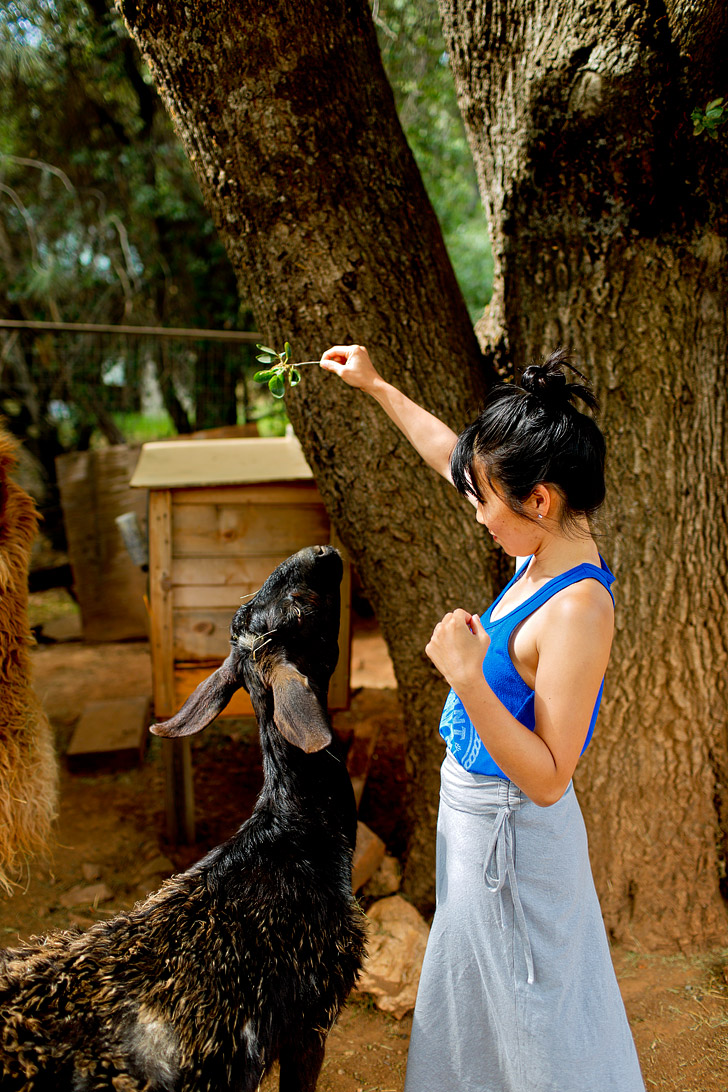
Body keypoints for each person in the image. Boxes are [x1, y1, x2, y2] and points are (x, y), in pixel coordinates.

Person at [320, 344, 645, 1092]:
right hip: (474, 834)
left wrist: (468, 679)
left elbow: (549, 777)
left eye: (487, 502)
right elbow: (451, 456)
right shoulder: (539, 548)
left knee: (538, 1024)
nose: (477, 514)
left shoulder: (578, 608)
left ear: (541, 501)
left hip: (518, 850)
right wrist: (377, 384)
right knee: (479, 1011)